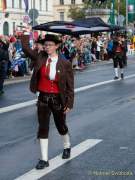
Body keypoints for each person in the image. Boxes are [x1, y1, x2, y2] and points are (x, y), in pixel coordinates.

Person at [20, 33, 74, 170]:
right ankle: (44, 159)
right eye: (45, 45)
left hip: (58, 100)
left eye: (50, 45)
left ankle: (67, 146)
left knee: (60, 125)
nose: (47, 47)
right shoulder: (40, 57)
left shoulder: (65, 63)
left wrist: (69, 103)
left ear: (57, 46)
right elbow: (26, 49)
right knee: (42, 127)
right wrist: (26, 33)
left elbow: (70, 87)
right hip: (43, 98)